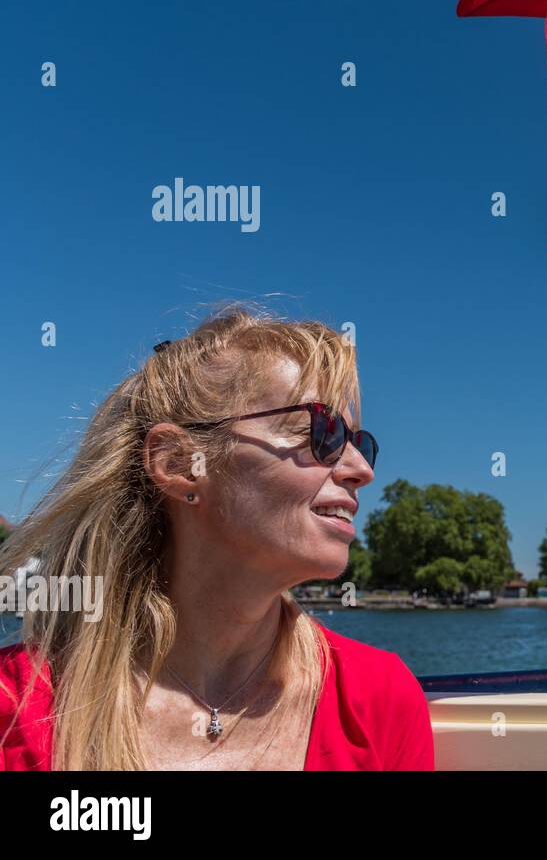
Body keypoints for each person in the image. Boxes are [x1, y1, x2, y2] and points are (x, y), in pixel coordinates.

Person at [0, 304, 435, 770]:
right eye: (322, 431)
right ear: (179, 464)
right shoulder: (16, 708)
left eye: (358, 442)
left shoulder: (378, 698)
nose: (361, 470)